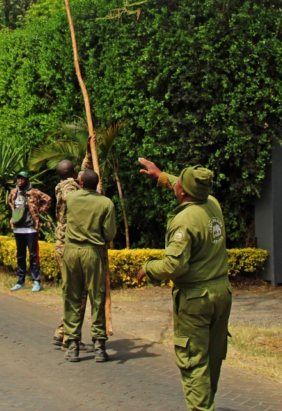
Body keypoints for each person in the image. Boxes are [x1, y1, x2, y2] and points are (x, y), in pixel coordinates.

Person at [137, 158, 231, 411]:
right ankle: (207, 402)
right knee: (212, 356)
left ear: (182, 191)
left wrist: (148, 268)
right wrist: (161, 176)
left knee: (193, 360)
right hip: (221, 291)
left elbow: (174, 266)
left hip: (196, 297)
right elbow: (185, 185)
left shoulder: (184, 221)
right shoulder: (212, 204)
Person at [61, 168, 116, 363]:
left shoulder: (72, 198)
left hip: (71, 251)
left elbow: (72, 189)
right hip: (93, 252)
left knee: (72, 296)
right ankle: (99, 344)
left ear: (81, 183)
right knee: (97, 296)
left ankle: (73, 343)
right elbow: (109, 234)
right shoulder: (106, 203)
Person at [53, 158, 83, 347]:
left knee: (72, 290)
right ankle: (68, 334)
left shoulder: (69, 182)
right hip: (69, 245)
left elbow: (85, 169)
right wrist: (94, 196)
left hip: (63, 245)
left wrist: (89, 149)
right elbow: (69, 196)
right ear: (73, 172)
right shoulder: (68, 187)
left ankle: (64, 330)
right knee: (77, 292)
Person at [7, 170, 51, 292]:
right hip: (18, 228)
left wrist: (38, 211)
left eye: (22, 178)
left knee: (33, 256)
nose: (20, 180)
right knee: (20, 256)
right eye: (18, 178)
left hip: (31, 228)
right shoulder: (14, 192)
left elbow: (48, 200)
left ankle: (36, 281)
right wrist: (14, 215)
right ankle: (20, 281)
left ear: (27, 180)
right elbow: (11, 202)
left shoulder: (34, 192)